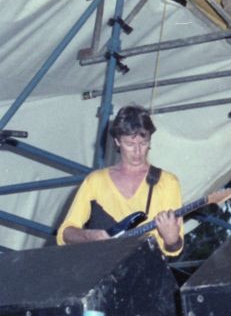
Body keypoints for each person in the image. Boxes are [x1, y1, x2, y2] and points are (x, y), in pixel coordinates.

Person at [57, 105, 184, 256]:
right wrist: (91, 236)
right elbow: (65, 233)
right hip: (100, 267)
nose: (137, 151)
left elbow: (175, 249)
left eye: (143, 143)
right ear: (117, 141)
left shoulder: (168, 182)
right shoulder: (95, 181)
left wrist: (172, 239)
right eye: (130, 144)